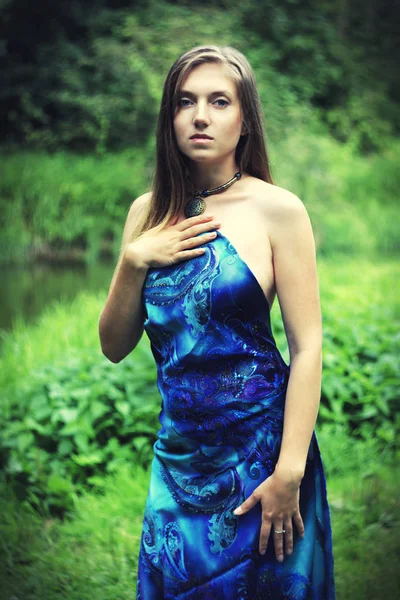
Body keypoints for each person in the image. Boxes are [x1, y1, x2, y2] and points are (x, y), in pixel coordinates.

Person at [98, 45, 335, 599]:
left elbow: (308, 346)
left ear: (244, 118)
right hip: (179, 458)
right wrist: (134, 259)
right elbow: (113, 346)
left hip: (264, 456)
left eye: (218, 101)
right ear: (170, 117)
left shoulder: (278, 209)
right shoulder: (146, 212)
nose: (200, 115)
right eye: (186, 102)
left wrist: (290, 470)